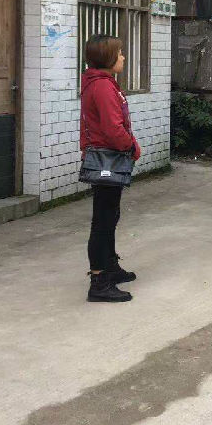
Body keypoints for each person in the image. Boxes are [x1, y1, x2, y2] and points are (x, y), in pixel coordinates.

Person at [80, 35, 141, 303]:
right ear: (107, 57)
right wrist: (132, 147)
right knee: (103, 221)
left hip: (110, 156)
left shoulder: (103, 82)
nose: (123, 57)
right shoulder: (102, 86)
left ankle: (110, 266)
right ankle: (99, 283)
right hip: (107, 159)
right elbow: (113, 129)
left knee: (110, 216)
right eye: (119, 53)